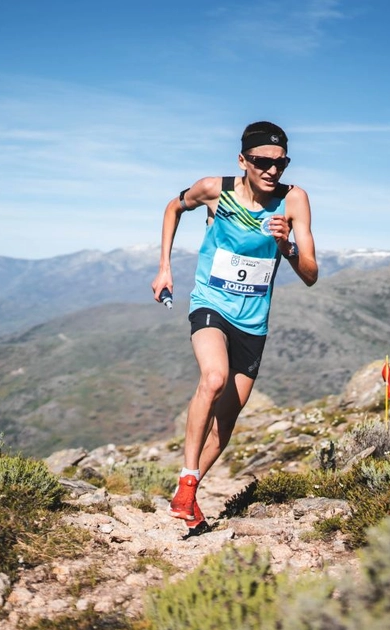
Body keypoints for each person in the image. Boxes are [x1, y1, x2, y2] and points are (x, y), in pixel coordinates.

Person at [150, 121, 318, 536]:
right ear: (242, 160)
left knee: (227, 419)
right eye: (262, 162)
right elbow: (173, 207)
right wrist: (165, 267)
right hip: (211, 302)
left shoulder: (294, 200)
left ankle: (186, 492)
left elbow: (311, 274)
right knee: (213, 377)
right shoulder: (214, 189)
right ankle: (188, 483)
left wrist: (287, 247)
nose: (271, 171)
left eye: (280, 163)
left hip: (253, 321)